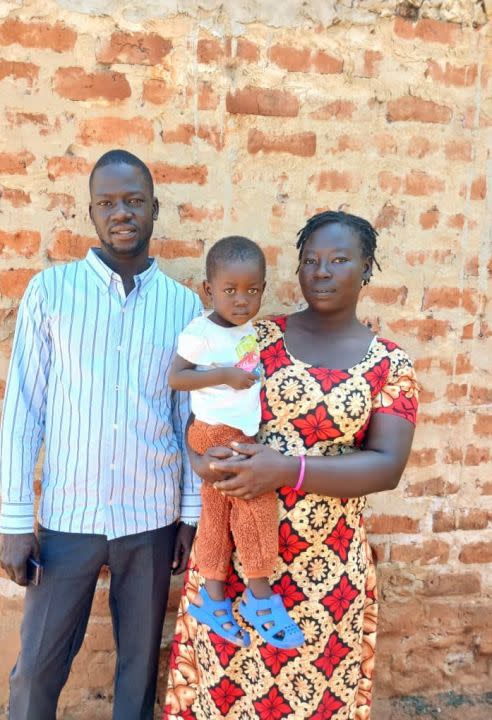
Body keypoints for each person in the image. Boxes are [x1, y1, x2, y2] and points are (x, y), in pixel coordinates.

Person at [164, 210, 419, 719]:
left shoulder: (391, 364)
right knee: (224, 695)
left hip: (325, 573)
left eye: (339, 260)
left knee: (314, 700)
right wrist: (197, 459)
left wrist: (288, 470)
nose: (321, 271)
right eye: (310, 261)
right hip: (233, 564)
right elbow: (197, 407)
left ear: (366, 268)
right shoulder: (255, 336)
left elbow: (387, 467)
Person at [0, 149, 203, 720]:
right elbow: (24, 411)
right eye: (108, 203)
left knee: (139, 670)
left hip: (150, 519)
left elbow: (187, 418)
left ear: (154, 210)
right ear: (90, 213)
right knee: (36, 669)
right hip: (69, 518)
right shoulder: (50, 293)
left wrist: (190, 514)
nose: (122, 213)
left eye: (134, 201)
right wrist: (16, 522)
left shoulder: (184, 305)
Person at [168, 236, 303, 650]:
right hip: (218, 432)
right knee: (255, 502)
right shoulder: (201, 332)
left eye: (252, 290)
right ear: (207, 291)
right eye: (229, 290)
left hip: (232, 430)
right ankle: (260, 598)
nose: (242, 299)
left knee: (217, 514)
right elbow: (177, 378)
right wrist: (224, 375)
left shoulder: (243, 326)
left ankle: (212, 597)